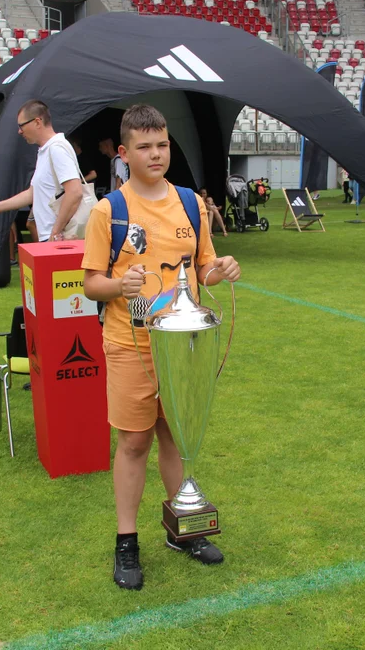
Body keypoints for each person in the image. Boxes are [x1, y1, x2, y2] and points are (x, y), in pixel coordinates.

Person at [81, 104, 241, 591]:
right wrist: (119, 285)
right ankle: (126, 541)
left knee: (177, 434)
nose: (156, 154)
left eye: (163, 144)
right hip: (130, 344)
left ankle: (183, 530)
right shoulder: (109, 210)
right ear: (124, 153)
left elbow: (202, 269)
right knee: (134, 441)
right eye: (145, 147)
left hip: (183, 344)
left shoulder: (190, 203)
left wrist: (223, 269)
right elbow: (90, 284)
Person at [0, 100, 84, 242]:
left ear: (37, 122)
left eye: (22, 125)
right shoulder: (45, 150)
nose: (19, 131)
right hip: (54, 238)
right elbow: (32, 193)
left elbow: (75, 192)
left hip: (60, 240)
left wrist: (55, 232)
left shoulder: (56, 148)